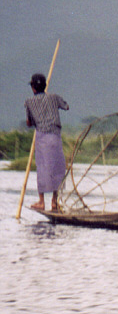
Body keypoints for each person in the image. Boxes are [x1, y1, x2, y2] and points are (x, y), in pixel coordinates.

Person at [25, 73, 69, 211]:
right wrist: (51, 102)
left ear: (33, 88)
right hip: (55, 136)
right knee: (56, 167)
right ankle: (54, 201)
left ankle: (41, 202)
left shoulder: (29, 102)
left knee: (43, 168)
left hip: (42, 137)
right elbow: (66, 106)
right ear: (44, 86)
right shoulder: (54, 97)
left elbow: (29, 123)